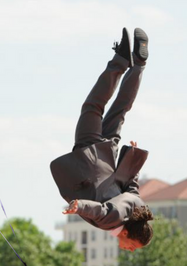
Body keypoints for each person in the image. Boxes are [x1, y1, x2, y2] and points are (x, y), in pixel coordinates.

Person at [50, 27, 153, 252]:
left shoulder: (138, 208)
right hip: (90, 158)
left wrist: (132, 154)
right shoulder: (112, 222)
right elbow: (99, 211)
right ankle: (120, 61)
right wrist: (78, 207)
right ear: (127, 233)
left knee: (120, 110)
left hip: (110, 153)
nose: (130, 250)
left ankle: (138, 65)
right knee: (93, 107)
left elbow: (132, 184)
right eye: (133, 246)